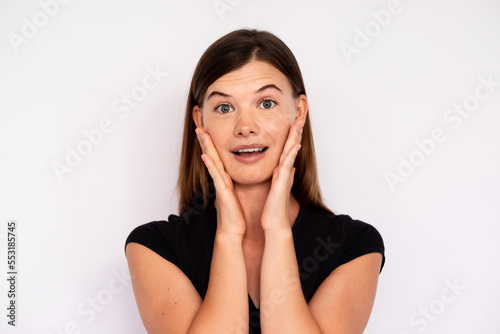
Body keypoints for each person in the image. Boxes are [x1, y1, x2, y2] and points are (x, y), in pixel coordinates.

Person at [124, 28, 385, 334]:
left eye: (266, 103)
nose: (245, 126)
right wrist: (229, 234)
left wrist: (276, 230)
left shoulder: (353, 246)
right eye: (224, 108)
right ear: (199, 121)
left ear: (298, 112)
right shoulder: (155, 247)